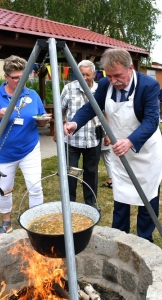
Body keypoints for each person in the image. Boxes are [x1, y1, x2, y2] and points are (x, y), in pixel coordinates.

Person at [64, 48, 162, 242]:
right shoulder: (105, 85)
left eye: (117, 75)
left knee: (148, 198)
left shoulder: (148, 85)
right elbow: (92, 107)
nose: (113, 81)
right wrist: (75, 122)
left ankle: (145, 239)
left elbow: (152, 121)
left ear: (130, 68)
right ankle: (120, 237)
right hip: (121, 152)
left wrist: (130, 141)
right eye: (109, 76)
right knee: (121, 197)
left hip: (145, 151)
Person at [0, 55, 50, 235]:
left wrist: (42, 121)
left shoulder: (31, 94)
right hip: (4, 153)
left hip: (29, 149)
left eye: (23, 77)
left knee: (35, 186)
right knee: (5, 189)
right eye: (15, 77)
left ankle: (36, 223)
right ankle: (6, 222)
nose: (20, 81)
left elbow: (40, 119)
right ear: (6, 77)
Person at [57, 60, 101, 206]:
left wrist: (107, 133)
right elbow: (60, 111)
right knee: (70, 173)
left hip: (93, 139)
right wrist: (59, 127)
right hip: (72, 140)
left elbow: (105, 112)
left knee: (92, 172)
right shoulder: (69, 88)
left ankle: (91, 204)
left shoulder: (100, 90)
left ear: (94, 74)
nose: (85, 77)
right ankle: (70, 204)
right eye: (81, 74)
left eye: (88, 74)